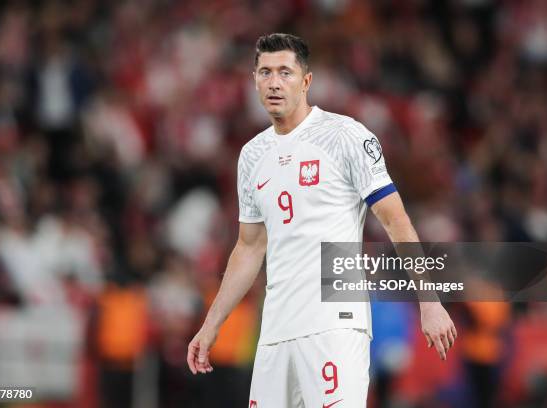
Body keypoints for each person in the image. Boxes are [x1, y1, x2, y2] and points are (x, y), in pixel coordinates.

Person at [187, 33, 457, 407]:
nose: (274, 82)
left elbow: (396, 220)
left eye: (285, 72)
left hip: (333, 322)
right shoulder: (252, 155)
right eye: (265, 72)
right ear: (254, 81)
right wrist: (211, 324)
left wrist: (429, 302)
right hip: (276, 328)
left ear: (307, 81)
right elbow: (249, 247)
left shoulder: (344, 136)